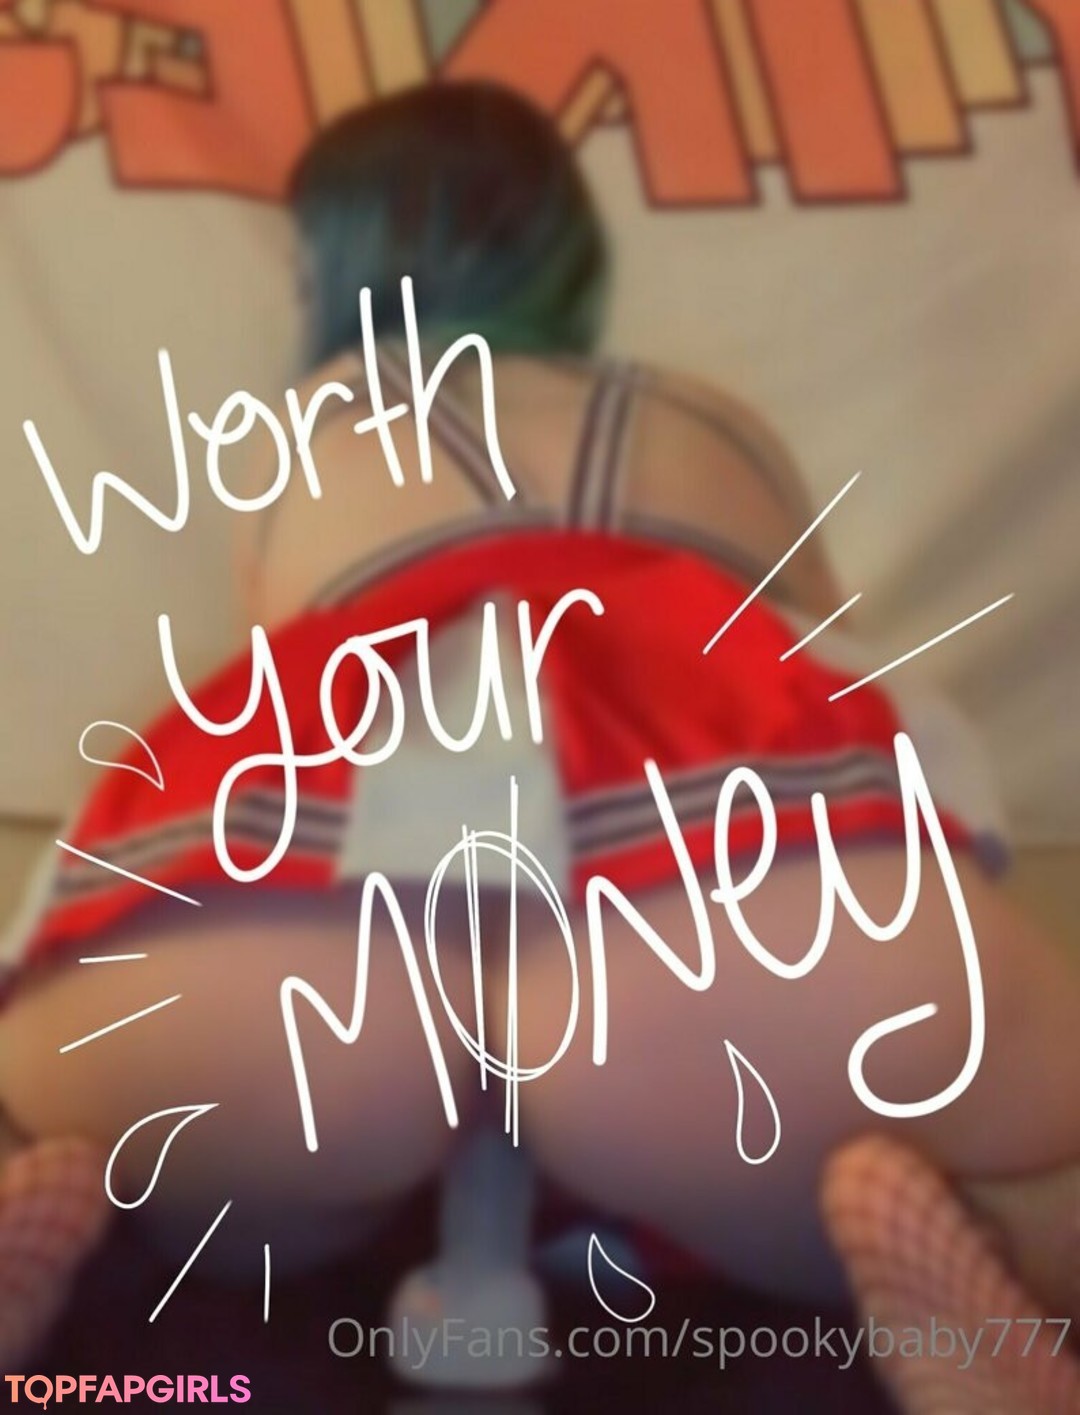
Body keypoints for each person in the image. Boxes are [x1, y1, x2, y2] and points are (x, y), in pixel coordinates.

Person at [0, 81, 1077, 1410]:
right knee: (1028, 1155)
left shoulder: (318, 429)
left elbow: (278, 674)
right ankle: (982, 1249)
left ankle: (73, 1199)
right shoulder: (713, 421)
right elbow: (833, 667)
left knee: (111, 1140)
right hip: (729, 891)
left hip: (307, 932)